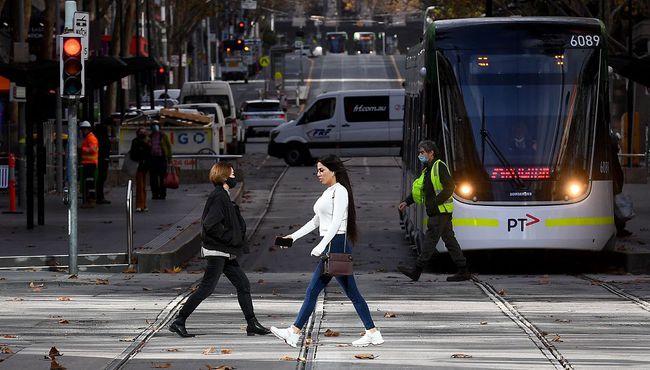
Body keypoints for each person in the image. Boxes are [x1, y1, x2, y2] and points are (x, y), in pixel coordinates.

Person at [270, 155, 384, 348]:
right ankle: (372, 332)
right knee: (347, 292)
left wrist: (322, 245)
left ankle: (294, 332)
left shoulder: (340, 192)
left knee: (315, 290)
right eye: (317, 170)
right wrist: (292, 237)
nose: (318, 174)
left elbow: (338, 221)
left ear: (334, 171)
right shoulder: (328, 192)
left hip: (336, 244)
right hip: (333, 244)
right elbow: (315, 222)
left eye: (322, 170)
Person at [169, 162, 270, 338]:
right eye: (231, 175)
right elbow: (210, 224)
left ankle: (252, 323)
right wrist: (229, 238)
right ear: (223, 177)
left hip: (224, 251)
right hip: (218, 251)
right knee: (206, 288)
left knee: (243, 284)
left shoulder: (223, 195)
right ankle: (179, 321)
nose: (234, 177)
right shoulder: (218, 197)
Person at [398, 140, 470, 282]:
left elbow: (450, 187)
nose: (420, 155)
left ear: (431, 153)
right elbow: (421, 192)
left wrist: (435, 202)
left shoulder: (439, 167)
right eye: (419, 152)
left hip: (439, 212)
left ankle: (416, 271)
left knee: (430, 241)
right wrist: (407, 202)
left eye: (423, 152)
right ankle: (463, 270)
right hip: (438, 212)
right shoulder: (427, 170)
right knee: (449, 240)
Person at [611, 131, 632, 237]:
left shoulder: (612, 155)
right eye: (617, 143)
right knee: (616, 208)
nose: (619, 146)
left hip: (615, 185)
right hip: (614, 186)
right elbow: (615, 172)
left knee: (616, 207)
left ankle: (620, 229)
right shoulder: (612, 156)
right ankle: (620, 229)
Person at [129, 127, 151, 212]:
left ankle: (143, 204)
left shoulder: (147, 142)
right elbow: (133, 154)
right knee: (140, 186)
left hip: (144, 166)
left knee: (142, 186)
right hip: (139, 166)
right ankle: (140, 204)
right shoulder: (136, 142)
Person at [149, 123, 171, 200]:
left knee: (162, 177)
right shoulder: (150, 136)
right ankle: (155, 194)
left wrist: (169, 159)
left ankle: (162, 194)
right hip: (152, 159)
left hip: (161, 158)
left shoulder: (163, 136)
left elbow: (168, 147)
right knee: (153, 178)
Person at [79, 121, 98, 208]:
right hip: (88, 164)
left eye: (83, 129)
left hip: (90, 164)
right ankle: (89, 200)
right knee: (88, 182)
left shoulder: (91, 138)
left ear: (87, 129)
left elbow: (93, 149)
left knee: (90, 183)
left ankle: (91, 200)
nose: (82, 131)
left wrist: (82, 149)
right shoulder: (88, 138)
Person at [94, 118, 112, 204]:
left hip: (100, 158)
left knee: (100, 178)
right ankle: (99, 196)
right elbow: (104, 146)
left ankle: (98, 196)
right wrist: (105, 157)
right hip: (102, 159)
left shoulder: (98, 133)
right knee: (101, 178)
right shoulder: (103, 134)